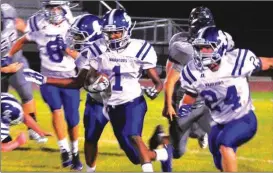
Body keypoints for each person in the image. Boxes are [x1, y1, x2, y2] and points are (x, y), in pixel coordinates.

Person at [23, 9, 173, 172]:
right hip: (96, 101)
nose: (112, 36)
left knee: (134, 149)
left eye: (116, 32)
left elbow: (157, 81)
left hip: (127, 102)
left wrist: (155, 89)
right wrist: (44, 79)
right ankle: (91, 170)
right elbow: (77, 82)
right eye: (109, 33)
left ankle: (162, 155)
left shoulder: (136, 48)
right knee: (91, 139)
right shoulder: (93, 50)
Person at [178, 26, 273, 172]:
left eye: (207, 48)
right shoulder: (192, 72)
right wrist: (183, 114)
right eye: (199, 48)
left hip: (243, 118)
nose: (202, 52)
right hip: (218, 121)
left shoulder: (237, 61)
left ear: (220, 47)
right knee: (217, 156)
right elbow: (189, 98)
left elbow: (268, 62)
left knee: (225, 144)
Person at [6, 1, 82, 170]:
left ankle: (75, 151)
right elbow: (23, 39)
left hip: (70, 76)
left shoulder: (72, 23)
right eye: (51, 7)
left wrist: (69, 50)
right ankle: (64, 150)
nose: (54, 11)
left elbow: (82, 54)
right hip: (47, 76)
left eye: (58, 7)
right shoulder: (37, 22)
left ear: (64, 8)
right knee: (56, 111)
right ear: (45, 8)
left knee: (72, 118)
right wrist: (9, 55)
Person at [1, 3, 46, 143]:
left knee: (27, 95)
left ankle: (33, 130)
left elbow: (26, 30)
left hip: (17, 62)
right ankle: (3, 134)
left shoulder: (12, 18)